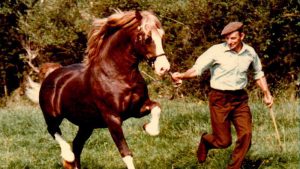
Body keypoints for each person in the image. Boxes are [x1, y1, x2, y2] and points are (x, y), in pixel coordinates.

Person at [171, 22, 273, 169]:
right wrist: (181, 75)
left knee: (246, 135)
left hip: (240, 99)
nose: (229, 42)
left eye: (233, 38)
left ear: (242, 36)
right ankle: (206, 141)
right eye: (227, 38)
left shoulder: (250, 52)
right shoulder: (216, 51)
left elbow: (258, 74)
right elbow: (197, 69)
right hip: (219, 98)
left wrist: (266, 94)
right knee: (223, 142)